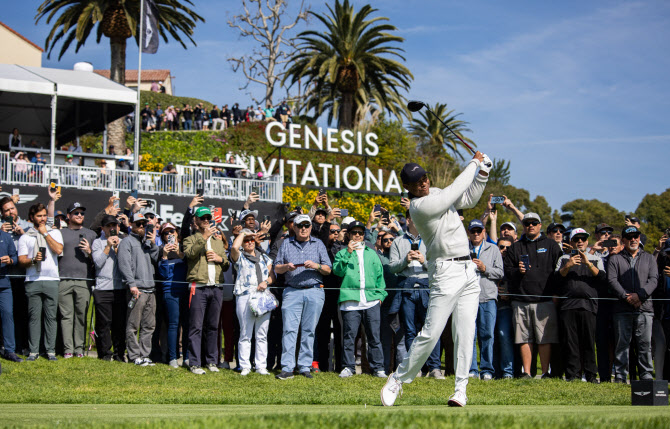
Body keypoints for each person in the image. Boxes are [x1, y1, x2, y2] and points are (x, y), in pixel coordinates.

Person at [381, 153, 491, 408]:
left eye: (424, 178)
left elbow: (469, 197)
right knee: (431, 333)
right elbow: (455, 191)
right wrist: (474, 163)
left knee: (465, 333)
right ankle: (398, 378)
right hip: (444, 271)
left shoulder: (438, 193)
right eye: (416, 181)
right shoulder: (419, 207)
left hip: (467, 270)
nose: (423, 183)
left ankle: (460, 390)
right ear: (407, 188)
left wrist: (483, 174)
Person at [503, 212, 562, 379]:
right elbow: (507, 270)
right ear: (523, 226)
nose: (531, 225)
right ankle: (527, 372)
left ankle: (545, 372)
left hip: (545, 299)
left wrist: (556, 293)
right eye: (527, 223)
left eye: (534, 223)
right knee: (524, 338)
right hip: (521, 299)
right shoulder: (516, 246)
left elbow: (559, 272)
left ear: (540, 225)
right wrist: (517, 271)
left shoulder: (551, 245)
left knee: (545, 338)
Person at [273, 214, 332, 380]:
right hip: (292, 290)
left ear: (311, 227)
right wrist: (286, 267)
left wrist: (316, 265)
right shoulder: (286, 244)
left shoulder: (318, 244)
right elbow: (276, 268)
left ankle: (305, 366)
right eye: (300, 226)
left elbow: (328, 269)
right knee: (289, 330)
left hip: (314, 290)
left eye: (307, 225)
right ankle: (287, 368)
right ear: (294, 228)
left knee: (309, 331)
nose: (303, 228)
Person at [388, 211, 443, 380]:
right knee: (410, 331)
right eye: (414, 217)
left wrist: (423, 261)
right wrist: (406, 260)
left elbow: (439, 265)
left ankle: (434, 368)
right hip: (407, 287)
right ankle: (414, 368)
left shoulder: (431, 239)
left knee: (430, 330)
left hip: (427, 286)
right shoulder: (398, 241)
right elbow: (392, 267)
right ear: (409, 219)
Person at [332, 220, 387, 378]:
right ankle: (348, 367)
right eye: (354, 232)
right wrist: (348, 253)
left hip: (371, 301)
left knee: (374, 337)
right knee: (349, 337)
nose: (357, 235)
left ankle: (378, 368)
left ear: (364, 235)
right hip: (350, 302)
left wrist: (380, 297)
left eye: (360, 233)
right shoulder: (342, 252)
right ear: (348, 234)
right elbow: (337, 272)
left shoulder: (372, 253)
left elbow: (379, 277)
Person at [607, 225, 658, 382]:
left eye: (636, 236)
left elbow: (654, 280)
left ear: (639, 238)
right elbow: (612, 280)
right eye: (629, 237)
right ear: (623, 240)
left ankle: (646, 375)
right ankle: (621, 376)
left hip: (644, 308)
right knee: (622, 344)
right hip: (622, 308)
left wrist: (640, 296)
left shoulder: (649, 258)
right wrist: (626, 297)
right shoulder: (615, 258)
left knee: (645, 344)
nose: (633, 239)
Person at [183, 207, 230, 375]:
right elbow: (189, 254)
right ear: (195, 221)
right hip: (198, 287)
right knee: (196, 326)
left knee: (213, 327)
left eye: (208, 218)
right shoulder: (190, 239)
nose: (206, 220)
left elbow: (226, 263)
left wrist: (219, 259)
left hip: (216, 287)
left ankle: (211, 361)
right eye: (202, 218)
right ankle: (195, 363)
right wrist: (203, 237)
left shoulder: (217, 240)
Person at [554, 228, 605, 383]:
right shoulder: (563, 258)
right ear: (571, 242)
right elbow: (556, 279)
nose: (580, 242)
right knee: (571, 342)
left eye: (583, 239)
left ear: (587, 241)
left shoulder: (595, 259)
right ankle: (573, 375)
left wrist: (588, 263)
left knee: (589, 342)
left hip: (589, 305)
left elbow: (602, 278)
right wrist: (568, 265)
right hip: (568, 305)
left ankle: (590, 375)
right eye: (576, 239)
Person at [18, 203, 64, 361]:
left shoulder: (55, 232)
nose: (43, 218)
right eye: (39, 216)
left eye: (44, 215)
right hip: (33, 279)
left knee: (51, 316)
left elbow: (59, 250)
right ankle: (33, 351)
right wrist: (32, 260)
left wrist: (45, 234)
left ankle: (50, 351)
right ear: (32, 218)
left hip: (51, 279)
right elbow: (21, 260)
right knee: (34, 317)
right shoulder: (25, 236)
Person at [118, 213, 160, 366]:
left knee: (149, 325)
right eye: (138, 224)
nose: (142, 226)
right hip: (137, 289)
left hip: (150, 289)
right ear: (132, 226)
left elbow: (157, 259)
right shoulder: (126, 242)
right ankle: (134, 356)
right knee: (133, 325)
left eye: (144, 224)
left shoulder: (147, 243)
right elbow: (124, 264)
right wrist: (131, 284)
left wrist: (153, 242)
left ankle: (145, 355)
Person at [230, 229, 274, 375]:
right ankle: (245, 366)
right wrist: (244, 233)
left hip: (262, 296)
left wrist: (266, 282)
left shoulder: (264, 257)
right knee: (245, 333)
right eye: (247, 240)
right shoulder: (240, 256)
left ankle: (261, 365)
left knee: (262, 334)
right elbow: (234, 248)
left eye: (252, 240)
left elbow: (272, 275)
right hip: (245, 296)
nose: (250, 242)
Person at [58, 202, 97, 358]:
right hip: (63, 279)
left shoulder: (91, 234)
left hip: (83, 280)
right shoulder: (59, 233)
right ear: (68, 216)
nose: (80, 215)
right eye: (76, 213)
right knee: (66, 316)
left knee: (81, 315)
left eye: (82, 213)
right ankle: (68, 349)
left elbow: (99, 259)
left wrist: (89, 251)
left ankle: (79, 349)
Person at [466, 219, 504, 380]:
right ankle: (472, 370)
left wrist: (485, 268)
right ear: (469, 232)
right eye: (473, 231)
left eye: (478, 231)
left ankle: (487, 369)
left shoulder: (493, 249)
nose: (476, 234)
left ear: (484, 232)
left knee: (487, 334)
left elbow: (500, 273)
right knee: (469, 335)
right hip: (467, 297)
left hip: (487, 297)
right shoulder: (462, 249)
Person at [91, 215, 126, 362]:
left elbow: (126, 265)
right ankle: (105, 353)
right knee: (104, 324)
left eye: (115, 226)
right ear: (103, 228)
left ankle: (119, 354)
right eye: (109, 226)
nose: (112, 229)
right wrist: (107, 246)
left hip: (120, 288)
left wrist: (118, 249)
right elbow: (98, 263)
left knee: (119, 324)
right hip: (102, 289)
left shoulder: (123, 242)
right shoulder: (97, 243)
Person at [157, 222, 189, 368]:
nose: (170, 235)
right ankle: (173, 358)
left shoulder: (184, 249)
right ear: (163, 237)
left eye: (172, 231)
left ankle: (188, 357)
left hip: (186, 291)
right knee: (173, 324)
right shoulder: (160, 251)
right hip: (170, 291)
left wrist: (179, 254)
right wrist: (164, 256)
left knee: (187, 325)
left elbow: (191, 268)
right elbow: (163, 275)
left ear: (177, 233)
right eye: (166, 233)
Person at [493, 236, 515, 378]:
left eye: (508, 247)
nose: (504, 250)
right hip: (490, 304)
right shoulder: (492, 260)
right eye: (501, 247)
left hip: (507, 306)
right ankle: (493, 371)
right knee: (489, 338)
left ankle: (508, 371)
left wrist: (510, 293)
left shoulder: (513, 264)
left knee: (504, 335)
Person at [0, 224, 20, 362]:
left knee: (7, 314)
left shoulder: (6, 237)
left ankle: (10, 350)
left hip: (4, 284)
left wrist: (11, 260)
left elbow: (15, 257)